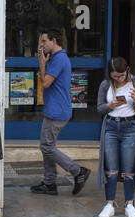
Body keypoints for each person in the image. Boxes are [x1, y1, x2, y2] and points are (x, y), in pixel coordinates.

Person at [31, 29, 91, 196]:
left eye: (44, 41)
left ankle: (78, 171)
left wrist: (42, 64)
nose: (42, 45)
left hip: (58, 111)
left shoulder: (59, 59)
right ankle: (49, 183)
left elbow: (45, 83)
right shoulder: (56, 58)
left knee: (46, 146)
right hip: (54, 109)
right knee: (48, 146)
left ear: (54, 41)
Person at [96, 57, 135, 217]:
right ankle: (109, 204)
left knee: (128, 170)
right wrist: (110, 106)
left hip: (130, 127)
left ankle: (129, 204)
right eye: (115, 76)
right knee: (110, 169)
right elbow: (99, 108)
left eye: (121, 75)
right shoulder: (105, 85)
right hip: (111, 127)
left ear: (128, 70)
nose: (119, 79)